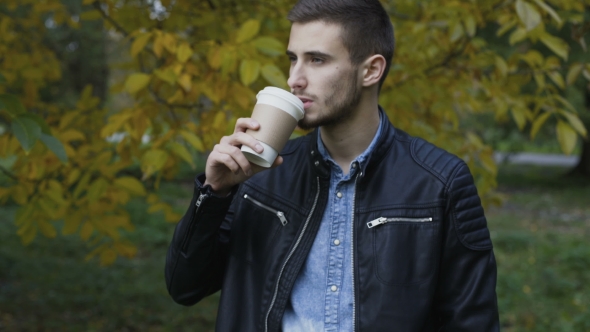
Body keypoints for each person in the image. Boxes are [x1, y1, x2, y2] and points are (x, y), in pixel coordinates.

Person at [165, 0, 499, 331]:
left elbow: (472, 321)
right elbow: (185, 287)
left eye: (317, 60)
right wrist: (215, 194)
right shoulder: (262, 175)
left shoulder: (439, 182)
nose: (295, 78)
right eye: (293, 59)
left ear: (370, 70)